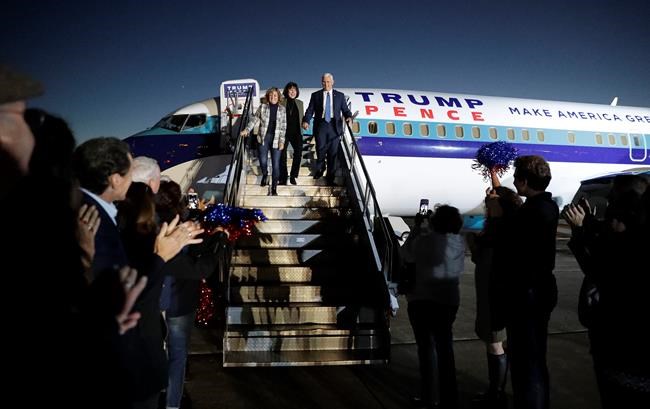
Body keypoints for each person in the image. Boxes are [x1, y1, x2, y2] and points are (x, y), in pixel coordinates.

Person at [562, 176, 649, 409]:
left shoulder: (628, 250)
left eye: (612, 204)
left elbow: (600, 270)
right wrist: (588, 222)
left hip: (623, 354)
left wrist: (579, 232)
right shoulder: (632, 239)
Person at [496, 155, 559, 409]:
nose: (513, 182)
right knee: (532, 358)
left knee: (527, 362)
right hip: (539, 289)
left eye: (515, 178)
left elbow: (515, 247)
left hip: (528, 293)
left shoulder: (532, 211)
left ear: (524, 181)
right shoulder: (546, 206)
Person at [400, 205, 465, 409]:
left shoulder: (425, 241)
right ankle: (449, 398)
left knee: (426, 349)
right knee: (445, 349)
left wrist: (416, 228)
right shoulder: (459, 242)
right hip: (449, 301)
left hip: (423, 300)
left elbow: (406, 254)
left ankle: (430, 397)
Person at [467, 183, 522, 408]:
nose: (486, 207)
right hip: (497, 293)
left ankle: (496, 393)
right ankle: (498, 391)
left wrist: (473, 243)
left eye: (490, 203)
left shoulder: (499, 232)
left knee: (495, 343)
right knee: (501, 343)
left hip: (494, 295)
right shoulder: (509, 229)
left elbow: (484, 259)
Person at [302, 73, 353, 185]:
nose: (326, 84)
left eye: (328, 82)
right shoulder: (316, 95)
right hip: (321, 125)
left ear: (332, 82)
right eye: (324, 82)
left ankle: (331, 177)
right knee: (320, 149)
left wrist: (349, 117)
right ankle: (321, 168)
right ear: (321, 83)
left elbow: (345, 110)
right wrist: (306, 120)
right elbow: (310, 110)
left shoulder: (340, 96)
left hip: (334, 126)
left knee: (333, 153)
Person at [241, 87, 287, 196]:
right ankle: (265, 174)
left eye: (275, 95)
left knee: (276, 165)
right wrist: (247, 130)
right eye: (270, 95)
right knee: (263, 161)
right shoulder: (262, 107)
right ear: (267, 97)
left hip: (276, 139)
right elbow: (254, 120)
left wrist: (282, 141)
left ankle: (274, 187)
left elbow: (283, 127)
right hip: (263, 138)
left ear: (278, 97)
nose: (273, 97)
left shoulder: (282, 109)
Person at [279, 82, 304, 185]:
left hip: (297, 132)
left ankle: (293, 176)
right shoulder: (281, 102)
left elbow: (302, 117)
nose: (292, 92)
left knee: (298, 153)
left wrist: (305, 123)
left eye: (294, 90)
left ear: (297, 92)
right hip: (284, 132)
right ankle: (283, 177)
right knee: (282, 155)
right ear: (287, 91)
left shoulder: (300, 103)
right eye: (290, 90)